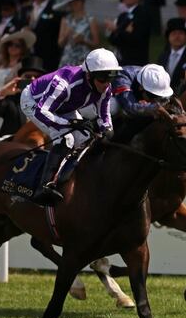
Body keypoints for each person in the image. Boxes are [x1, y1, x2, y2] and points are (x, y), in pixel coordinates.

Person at [19, 48, 122, 205]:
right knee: (66, 138)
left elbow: (104, 114)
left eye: (111, 78)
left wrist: (107, 129)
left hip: (63, 106)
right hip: (34, 102)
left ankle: (74, 178)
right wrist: (70, 123)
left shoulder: (105, 88)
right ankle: (44, 187)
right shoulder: (64, 83)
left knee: (86, 139)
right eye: (103, 78)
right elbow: (42, 112)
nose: (107, 84)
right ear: (89, 75)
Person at [0, 56, 45, 136]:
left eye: (37, 77)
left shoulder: (50, 100)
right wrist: (3, 92)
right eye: (28, 77)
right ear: (20, 79)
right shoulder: (10, 99)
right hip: (13, 142)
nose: (33, 80)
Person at [55, 0, 99, 67]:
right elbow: (60, 44)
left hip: (83, 60)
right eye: (72, 2)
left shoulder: (90, 19)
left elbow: (96, 44)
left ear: (82, 1)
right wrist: (66, 35)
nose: (74, 4)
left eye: (77, 1)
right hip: (68, 59)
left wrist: (84, 41)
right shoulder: (65, 20)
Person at [106, 0, 152, 66]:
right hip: (121, 61)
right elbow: (113, 40)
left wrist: (117, 30)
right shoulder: (123, 16)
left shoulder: (142, 14)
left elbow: (136, 38)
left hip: (135, 62)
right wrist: (118, 31)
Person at [158, 17, 186, 91]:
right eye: (173, 33)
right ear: (168, 37)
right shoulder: (163, 57)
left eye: (181, 33)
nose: (177, 36)